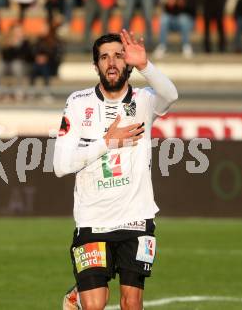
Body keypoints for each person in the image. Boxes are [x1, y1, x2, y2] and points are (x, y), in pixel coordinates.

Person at [54, 30, 178, 310]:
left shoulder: (145, 100)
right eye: (104, 57)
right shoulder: (78, 103)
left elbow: (171, 95)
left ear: (128, 63)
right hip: (92, 220)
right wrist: (107, 143)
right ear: (95, 65)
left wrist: (146, 65)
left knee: (131, 303)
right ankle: (77, 294)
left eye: (119, 56)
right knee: (95, 305)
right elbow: (60, 165)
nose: (112, 63)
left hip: (136, 217)